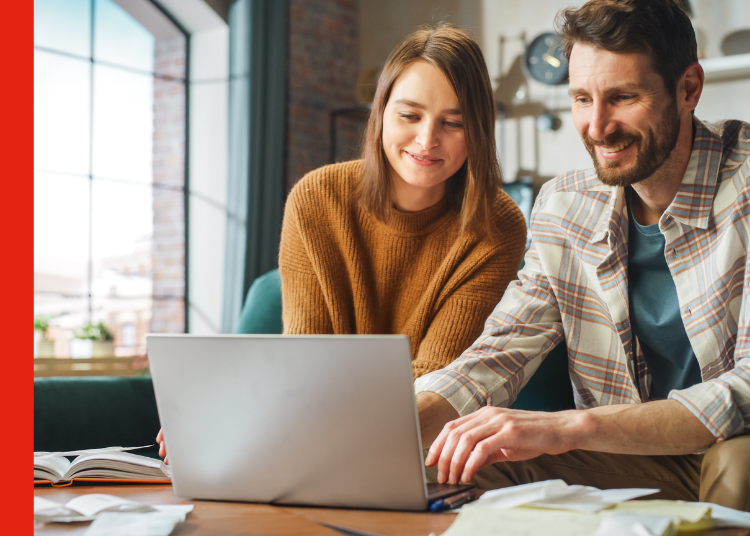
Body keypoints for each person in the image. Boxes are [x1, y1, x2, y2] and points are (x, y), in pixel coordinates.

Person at [416, 0, 750, 511]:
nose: (597, 126)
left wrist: (569, 426)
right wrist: (397, 426)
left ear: (688, 88)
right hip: (630, 458)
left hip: (732, 448)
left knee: (738, 464)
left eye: (623, 97)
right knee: (448, 458)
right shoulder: (565, 205)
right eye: (580, 99)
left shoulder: (745, 184)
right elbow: (499, 352)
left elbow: (746, 390)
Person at [157, 25, 527, 463]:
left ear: (479, 130)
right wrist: (238, 409)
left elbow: (439, 379)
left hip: (420, 442)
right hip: (316, 433)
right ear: (381, 112)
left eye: (453, 123)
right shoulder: (317, 199)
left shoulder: (497, 223)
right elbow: (306, 356)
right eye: (410, 116)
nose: (427, 140)